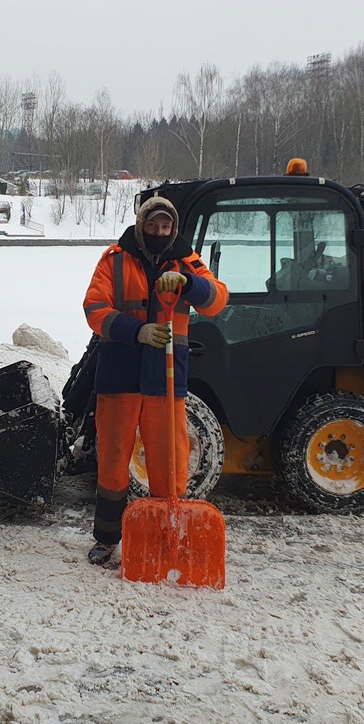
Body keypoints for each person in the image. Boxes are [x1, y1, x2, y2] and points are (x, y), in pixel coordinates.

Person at [81, 196, 228, 566]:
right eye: (153, 226)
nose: (159, 232)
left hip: (165, 377)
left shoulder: (186, 261)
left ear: (173, 228)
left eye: (165, 227)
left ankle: (166, 533)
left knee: (169, 459)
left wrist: (189, 283)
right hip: (119, 374)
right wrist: (138, 331)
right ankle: (106, 537)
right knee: (113, 460)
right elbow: (94, 309)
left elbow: (217, 299)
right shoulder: (114, 260)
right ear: (142, 224)